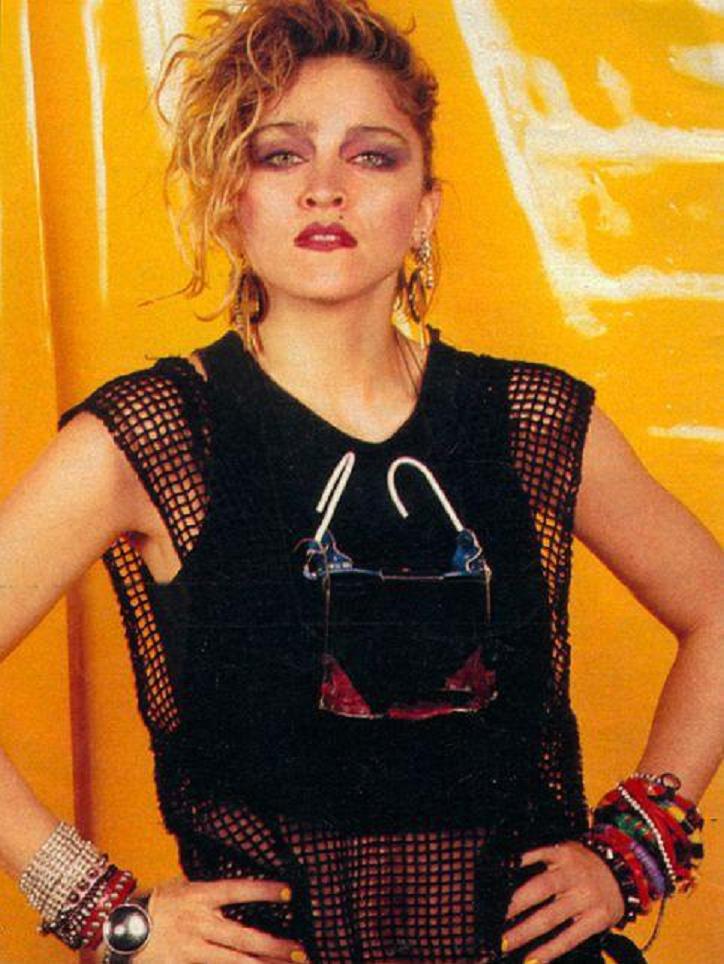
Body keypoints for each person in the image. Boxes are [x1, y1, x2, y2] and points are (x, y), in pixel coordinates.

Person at [1, 1, 722, 962]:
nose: (325, 190)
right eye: (281, 155)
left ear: (424, 207)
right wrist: (102, 913)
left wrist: (633, 850)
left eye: (372, 156)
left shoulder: (529, 420)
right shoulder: (158, 436)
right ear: (230, 200)